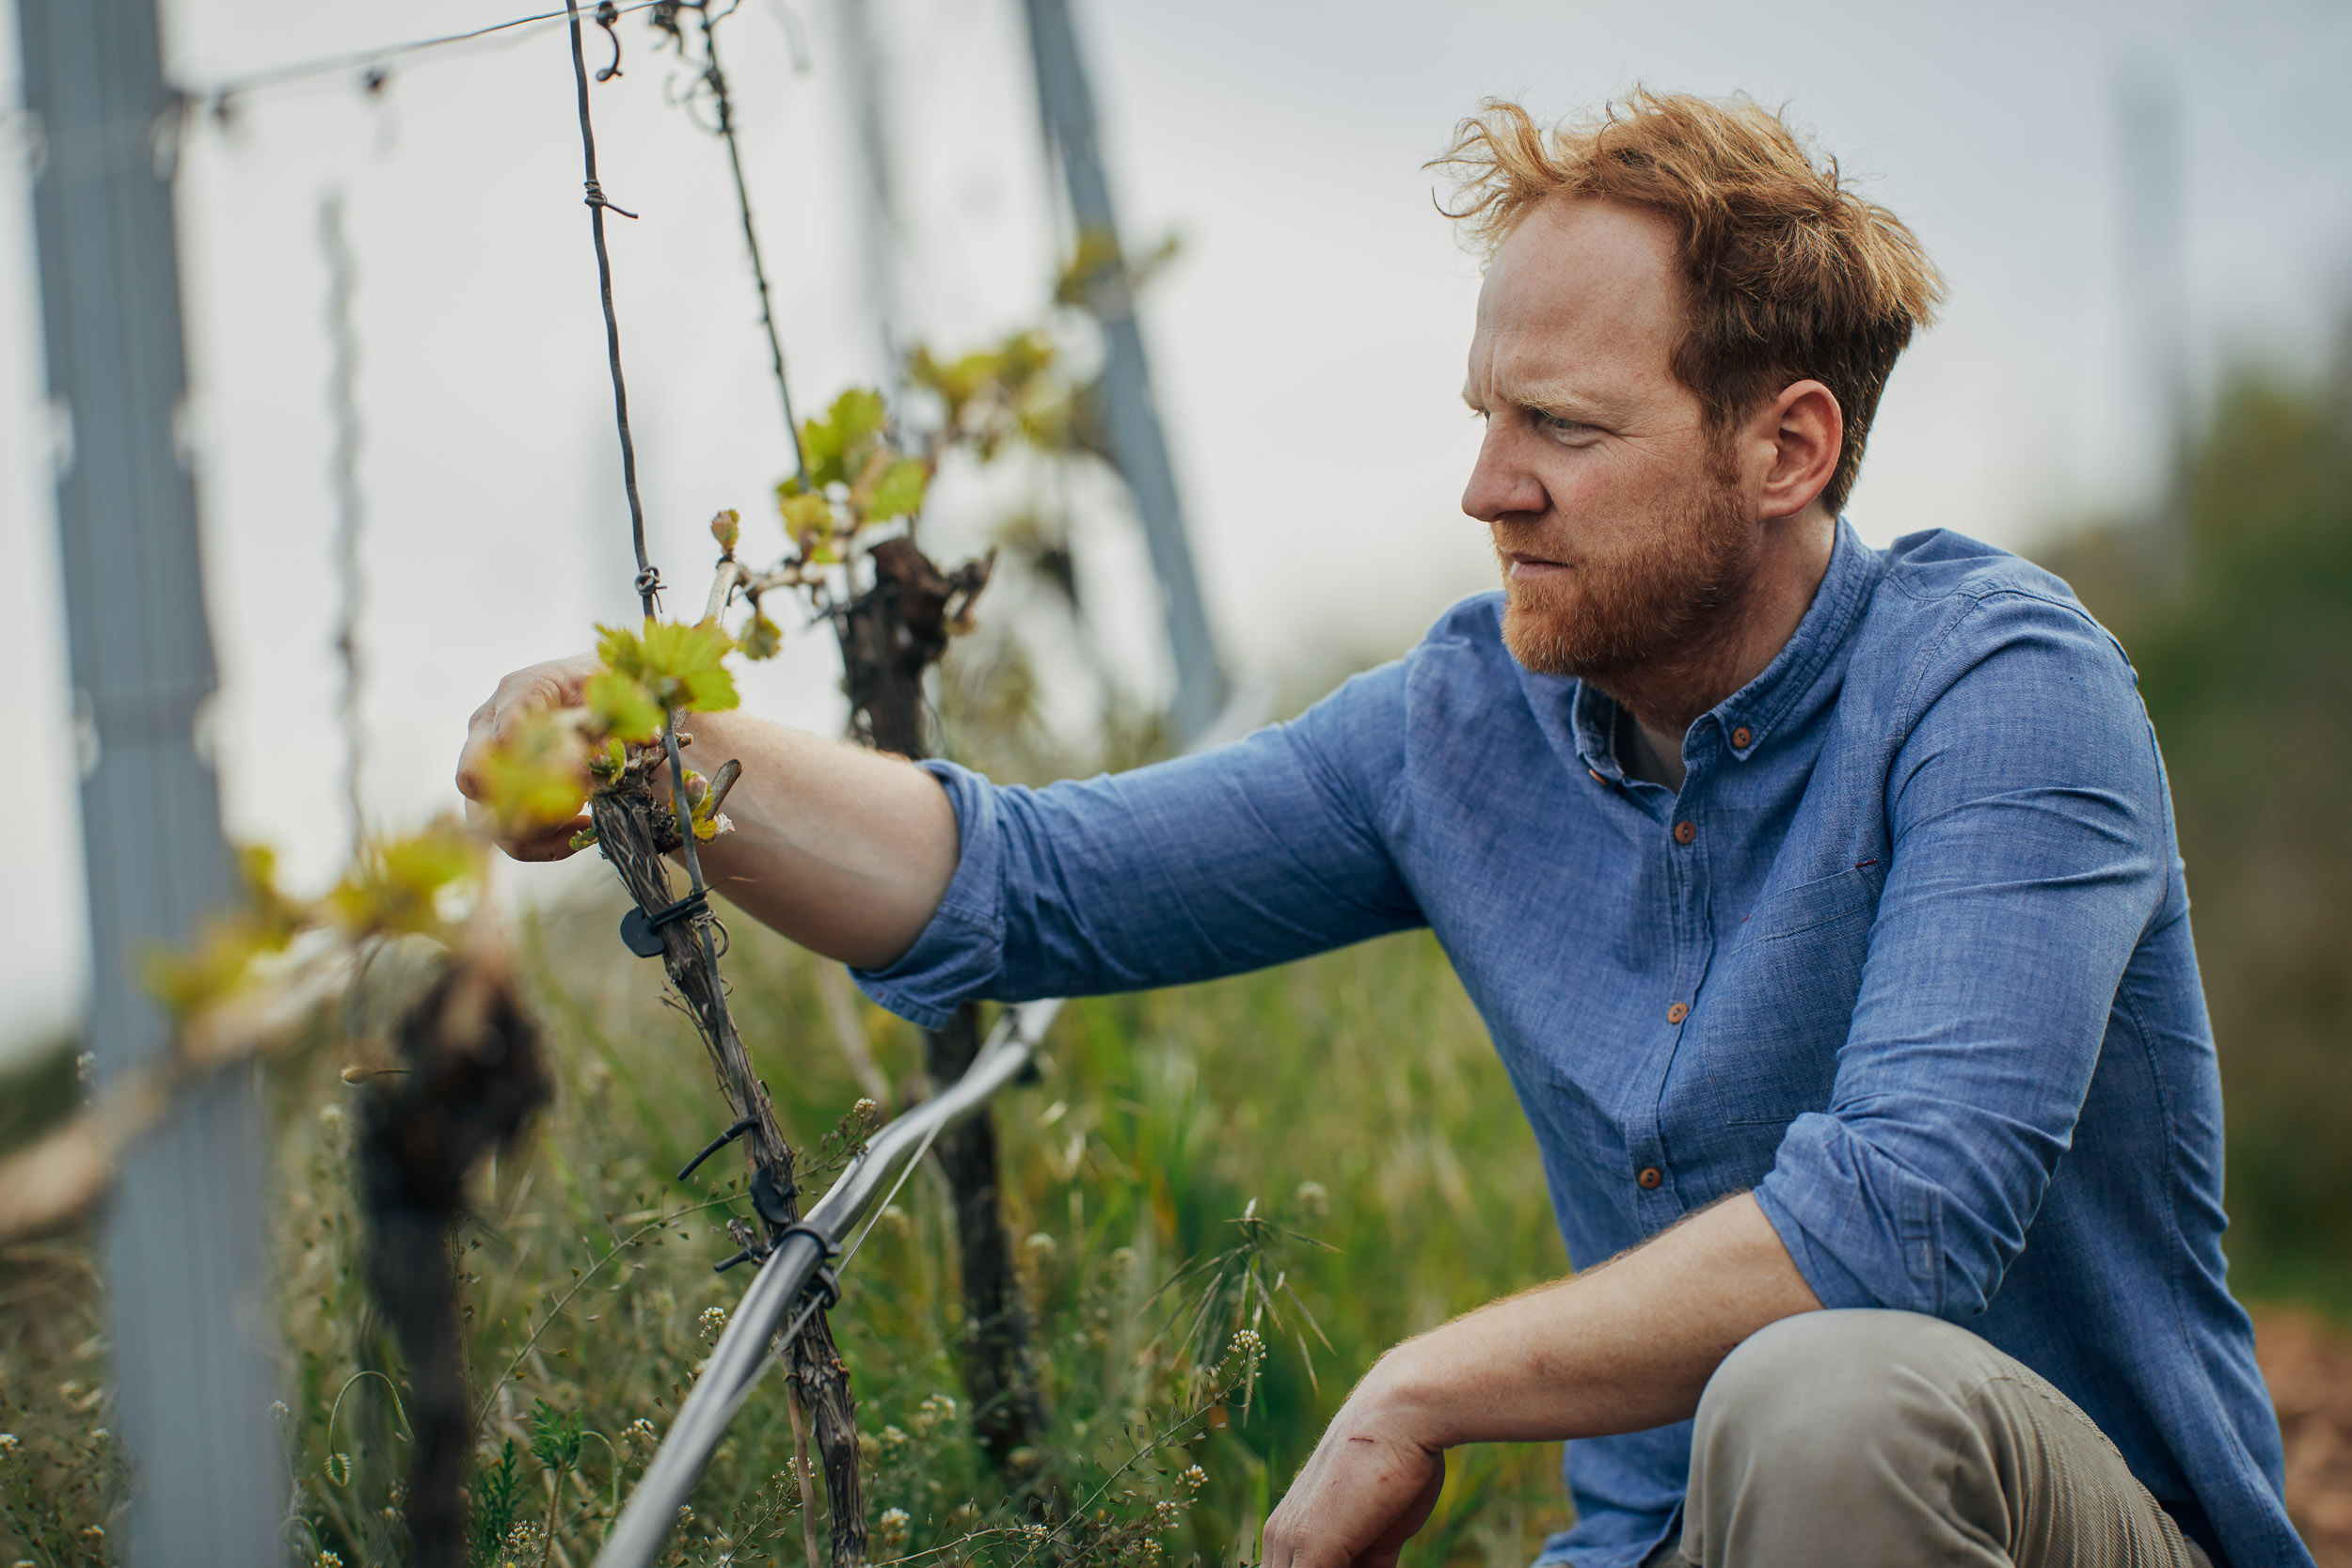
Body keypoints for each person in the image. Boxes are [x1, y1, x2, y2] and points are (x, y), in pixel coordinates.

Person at [458, 92, 2305, 1568]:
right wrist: (662, 761)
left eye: (1560, 428)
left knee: (1823, 1404)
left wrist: (1423, 1387)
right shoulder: (1456, 729)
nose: (1484, 488)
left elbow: (1899, 1216)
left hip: (2057, 1529)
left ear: (1786, 450)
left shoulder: (1997, 687)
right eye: (1483, 414)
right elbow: (1027, 881)